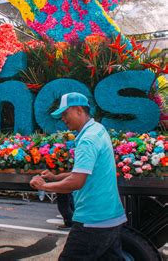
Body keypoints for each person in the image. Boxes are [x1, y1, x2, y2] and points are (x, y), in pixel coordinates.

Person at [30, 92, 126, 260]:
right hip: (111, 217)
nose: (63, 119)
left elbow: (76, 181)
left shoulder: (87, 140)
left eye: (65, 113)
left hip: (93, 221)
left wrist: (43, 186)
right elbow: (85, 172)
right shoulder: (98, 130)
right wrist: (55, 177)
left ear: (79, 110)